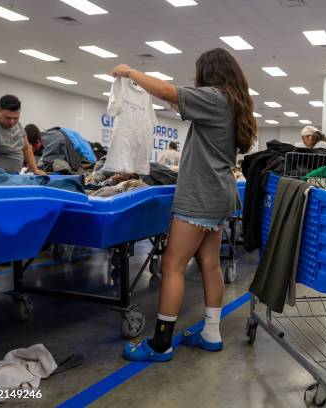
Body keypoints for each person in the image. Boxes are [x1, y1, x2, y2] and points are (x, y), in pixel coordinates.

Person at [112, 48, 257, 362]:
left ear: (210, 75)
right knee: (210, 264)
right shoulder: (233, 102)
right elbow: (177, 102)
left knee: (172, 266)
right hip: (219, 195)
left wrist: (129, 71)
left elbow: (167, 90)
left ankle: (161, 343)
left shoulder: (215, 97)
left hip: (199, 196)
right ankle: (211, 333)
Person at [0, 95, 44, 176]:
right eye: (8, 118)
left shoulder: (18, 125)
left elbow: (27, 148)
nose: (12, 122)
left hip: (14, 176)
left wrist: (35, 169)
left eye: (16, 118)